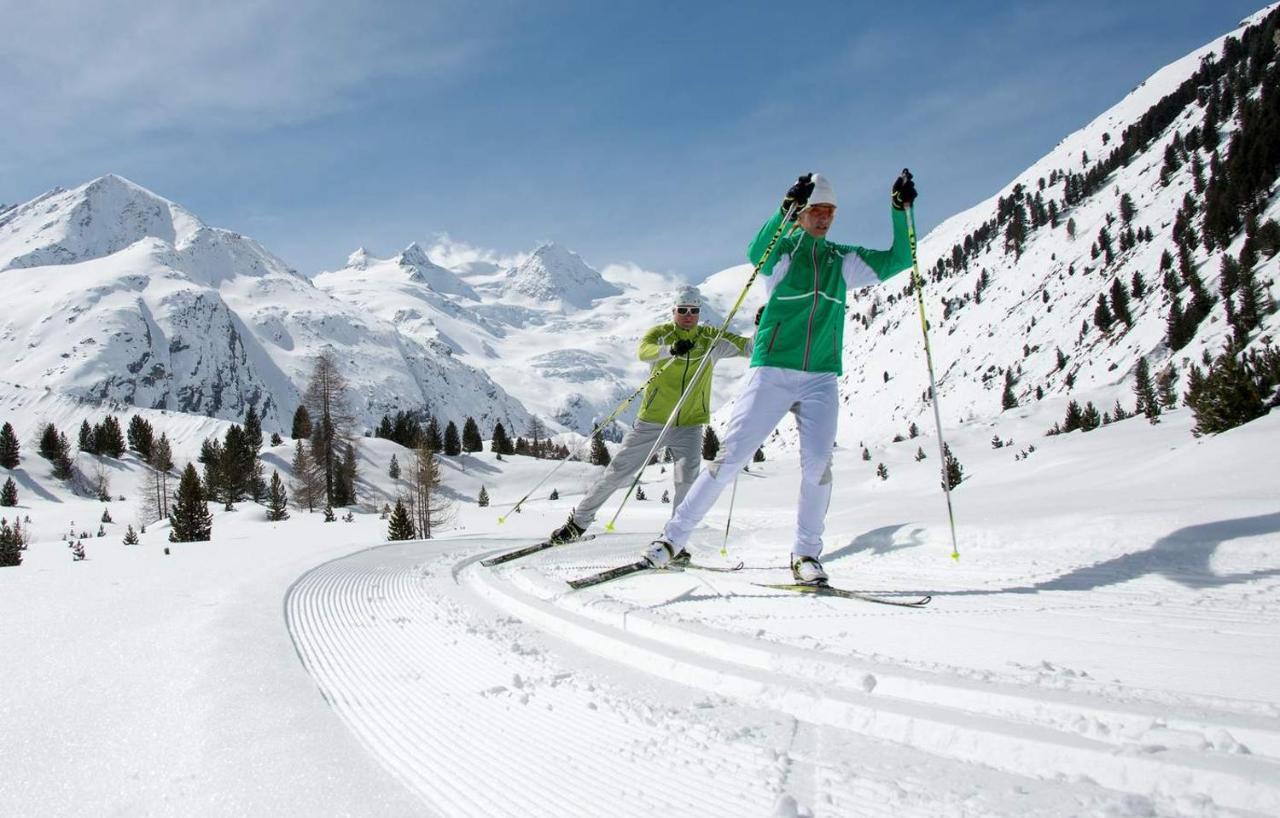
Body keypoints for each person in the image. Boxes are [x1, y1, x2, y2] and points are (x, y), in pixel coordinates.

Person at [640, 170, 918, 584]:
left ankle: (806, 555)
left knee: (818, 467)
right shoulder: (784, 251)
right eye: (816, 210)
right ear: (803, 213)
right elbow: (757, 252)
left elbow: (901, 259)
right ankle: (671, 539)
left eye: (830, 211)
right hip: (772, 370)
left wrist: (901, 211)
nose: (823, 218)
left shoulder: (843, 260)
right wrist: (783, 211)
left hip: (821, 376)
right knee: (730, 458)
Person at [547, 285, 752, 549]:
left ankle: (673, 541)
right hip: (652, 422)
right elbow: (644, 351)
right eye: (683, 310)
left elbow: (749, 348)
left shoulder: (712, 339)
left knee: (686, 482)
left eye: (694, 311)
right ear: (674, 311)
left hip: (689, 425)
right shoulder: (661, 334)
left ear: (700, 312)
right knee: (617, 473)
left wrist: (763, 324)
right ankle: (577, 523)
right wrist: (671, 349)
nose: (688, 315)